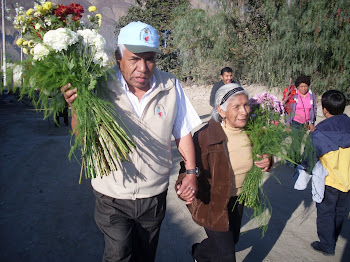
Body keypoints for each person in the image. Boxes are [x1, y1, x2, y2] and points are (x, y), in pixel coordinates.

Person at [62, 21, 202, 262]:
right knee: (119, 252)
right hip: (112, 194)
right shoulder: (98, 86)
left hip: (154, 194)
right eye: (134, 59)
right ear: (118, 57)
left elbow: (183, 133)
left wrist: (191, 172)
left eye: (150, 59)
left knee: (145, 255)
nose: (143, 68)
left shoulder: (170, 85)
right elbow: (83, 136)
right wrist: (76, 107)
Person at [176, 83, 273, 262]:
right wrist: (184, 185)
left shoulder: (253, 132)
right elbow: (186, 168)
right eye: (236, 106)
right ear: (221, 111)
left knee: (232, 240)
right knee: (226, 255)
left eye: (246, 105)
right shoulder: (204, 137)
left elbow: (264, 152)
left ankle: (200, 252)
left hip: (238, 199)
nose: (244, 111)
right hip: (213, 202)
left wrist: (268, 159)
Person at [309, 90, 350, 256]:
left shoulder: (321, 132)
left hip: (329, 180)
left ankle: (327, 244)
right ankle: (334, 234)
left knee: (326, 212)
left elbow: (310, 155)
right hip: (347, 179)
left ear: (325, 109)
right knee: (341, 210)